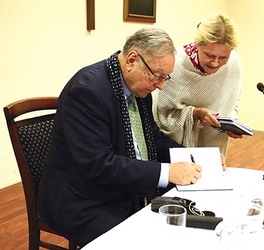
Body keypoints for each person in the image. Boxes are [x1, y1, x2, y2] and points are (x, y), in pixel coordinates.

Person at [37, 27, 204, 247]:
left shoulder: (138, 89)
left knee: (193, 219)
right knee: (141, 241)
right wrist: (167, 171)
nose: (160, 85)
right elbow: (99, 164)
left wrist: (196, 156)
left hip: (119, 186)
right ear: (132, 59)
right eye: (157, 76)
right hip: (83, 198)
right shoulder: (87, 92)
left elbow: (152, 138)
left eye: (165, 78)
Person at [152, 11, 243, 156]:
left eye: (223, 57)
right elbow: (161, 116)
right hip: (176, 150)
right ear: (198, 44)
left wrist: (231, 123)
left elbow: (232, 102)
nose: (215, 63)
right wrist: (195, 114)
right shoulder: (177, 65)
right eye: (209, 55)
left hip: (215, 147)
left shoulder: (234, 64)